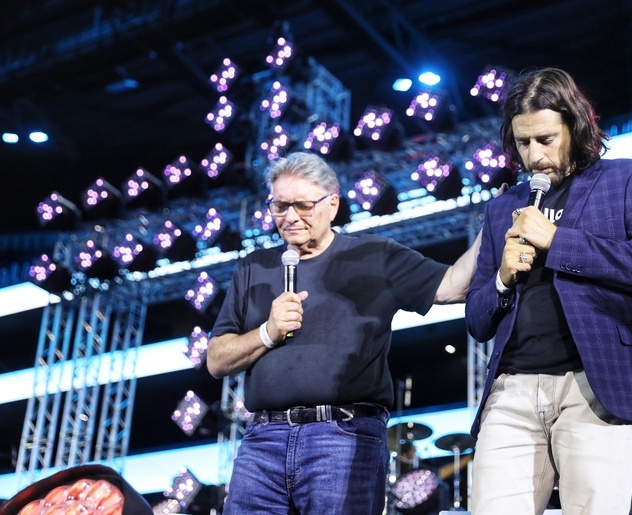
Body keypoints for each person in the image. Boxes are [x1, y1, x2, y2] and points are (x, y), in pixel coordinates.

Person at [206, 151, 481, 515]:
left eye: (302, 205)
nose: (290, 217)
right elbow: (216, 359)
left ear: (332, 203)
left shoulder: (374, 255)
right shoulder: (254, 267)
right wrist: (268, 332)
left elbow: (452, 286)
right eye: (279, 206)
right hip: (262, 443)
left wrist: (491, 230)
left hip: (343, 436)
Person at [464, 67, 632, 514]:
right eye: (523, 143)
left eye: (546, 139)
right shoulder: (502, 209)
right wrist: (502, 279)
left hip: (596, 384)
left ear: (575, 125)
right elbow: (477, 320)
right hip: (512, 392)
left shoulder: (626, 178)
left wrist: (557, 241)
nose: (534, 155)